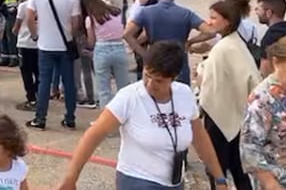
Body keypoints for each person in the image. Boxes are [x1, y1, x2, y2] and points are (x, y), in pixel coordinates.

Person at [56, 41, 229, 190]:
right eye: (147, 76)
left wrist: (219, 177)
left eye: (159, 81)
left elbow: (199, 137)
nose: (150, 84)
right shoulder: (129, 97)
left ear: (174, 78)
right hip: (138, 180)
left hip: (174, 181)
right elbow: (93, 135)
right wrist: (71, 177)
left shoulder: (184, 94)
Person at [197, 0, 260, 189]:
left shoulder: (224, 48)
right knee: (237, 167)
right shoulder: (235, 44)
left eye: (214, 18)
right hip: (235, 114)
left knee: (218, 168)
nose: (209, 22)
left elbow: (209, 84)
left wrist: (200, 72)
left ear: (227, 21)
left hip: (218, 116)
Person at [124, 0, 215, 85]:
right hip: (178, 60)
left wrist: (143, 53)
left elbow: (127, 34)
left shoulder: (146, 12)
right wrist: (190, 41)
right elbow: (210, 32)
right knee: (180, 94)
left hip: (156, 58)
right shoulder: (186, 13)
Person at [25, 0, 82, 130]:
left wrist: (35, 34)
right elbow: (76, 22)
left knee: (45, 82)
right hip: (65, 46)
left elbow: (29, 18)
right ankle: (70, 118)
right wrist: (70, 36)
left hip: (45, 45)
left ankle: (40, 118)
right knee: (69, 82)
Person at [241, 36, 286, 189]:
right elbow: (249, 148)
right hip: (279, 180)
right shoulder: (262, 99)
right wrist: (269, 182)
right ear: (276, 63)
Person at [82, 0, 130, 108]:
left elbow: (91, 40)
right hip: (119, 47)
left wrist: (87, 48)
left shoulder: (90, 19)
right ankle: (124, 115)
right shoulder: (116, 13)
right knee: (123, 86)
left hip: (102, 49)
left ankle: (106, 119)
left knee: (104, 89)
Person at [255, 0, 286, 77]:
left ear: (269, 13)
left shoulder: (269, 38)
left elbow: (264, 72)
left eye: (259, 9)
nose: (256, 12)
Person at [13, 0, 39, 111]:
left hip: (25, 42)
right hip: (40, 43)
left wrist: (14, 31)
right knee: (38, 72)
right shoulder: (41, 4)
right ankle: (38, 94)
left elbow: (17, 26)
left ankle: (31, 98)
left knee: (26, 72)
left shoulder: (23, 6)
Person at [132, 0, 158, 80]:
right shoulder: (156, 8)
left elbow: (146, 32)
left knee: (145, 70)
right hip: (152, 45)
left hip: (146, 45)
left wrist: (135, 43)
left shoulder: (145, 11)